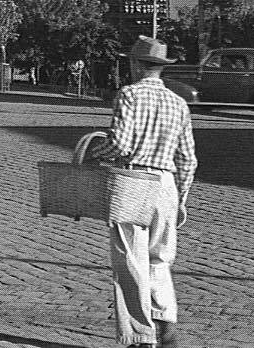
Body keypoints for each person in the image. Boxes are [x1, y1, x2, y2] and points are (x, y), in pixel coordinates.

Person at [89, 36, 196, 348]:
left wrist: (97, 152)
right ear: (160, 68)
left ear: (136, 65)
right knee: (159, 258)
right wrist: (182, 196)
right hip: (166, 184)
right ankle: (167, 329)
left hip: (133, 182)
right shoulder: (179, 103)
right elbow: (187, 158)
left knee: (129, 262)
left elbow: (120, 144)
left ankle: (140, 336)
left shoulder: (129, 95)